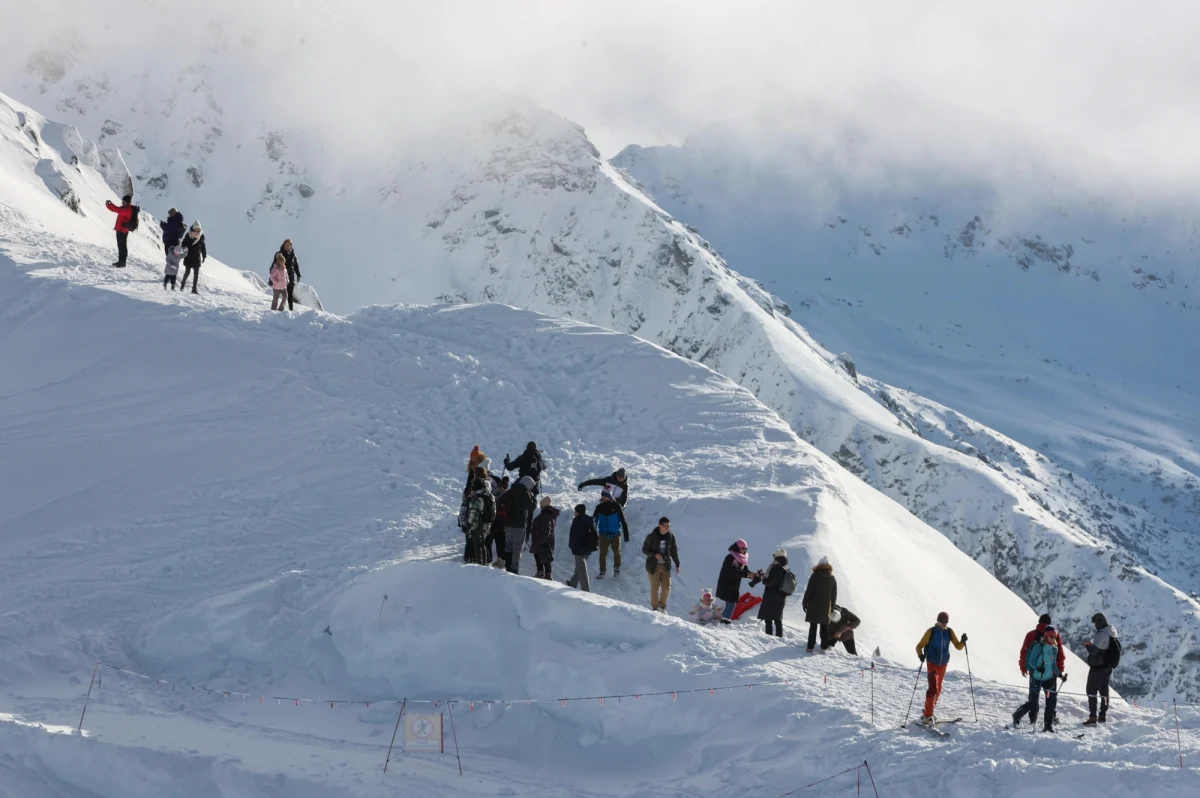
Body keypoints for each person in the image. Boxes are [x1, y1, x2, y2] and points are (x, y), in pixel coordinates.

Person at [915, 611, 967, 724]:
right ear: (937, 621)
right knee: (933, 689)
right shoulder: (931, 632)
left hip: (943, 664)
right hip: (932, 663)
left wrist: (963, 642)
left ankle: (929, 711)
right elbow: (919, 646)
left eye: (946, 621)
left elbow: (958, 646)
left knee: (938, 689)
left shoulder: (949, 632)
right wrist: (921, 655)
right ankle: (928, 715)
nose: (944, 623)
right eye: (942, 621)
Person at [1013, 626, 1063, 732]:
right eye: (1051, 636)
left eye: (1055, 636)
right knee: (1033, 703)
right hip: (1037, 677)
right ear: (1046, 636)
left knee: (1051, 702)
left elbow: (1053, 664)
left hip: (1049, 678)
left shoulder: (1055, 648)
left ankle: (1048, 726)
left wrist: (1059, 675)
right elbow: (1031, 661)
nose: (1053, 638)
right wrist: (1037, 668)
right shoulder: (1038, 647)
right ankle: (1017, 715)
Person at [1083, 612, 1120, 725]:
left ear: (1099, 622)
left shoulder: (1102, 634)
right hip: (1107, 667)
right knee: (1104, 691)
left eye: (1095, 623)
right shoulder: (1112, 633)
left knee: (1091, 690)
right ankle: (1102, 715)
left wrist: (1088, 646)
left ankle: (1093, 717)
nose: (1095, 625)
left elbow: (1094, 651)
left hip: (1097, 667)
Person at [497, 476, 537, 574]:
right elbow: (531, 507)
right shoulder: (524, 493)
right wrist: (533, 497)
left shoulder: (511, 490)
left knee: (509, 547)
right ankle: (514, 570)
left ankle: (508, 568)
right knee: (517, 549)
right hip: (519, 526)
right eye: (530, 487)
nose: (530, 489)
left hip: (508, 524)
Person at [642, 517, 680, 612]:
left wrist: (677, 564)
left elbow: (674, 551)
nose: (667, 528)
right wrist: (654, 555)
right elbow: (645, 549)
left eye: (669, 526)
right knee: (655, 588)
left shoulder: (671, 537)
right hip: (653, 566)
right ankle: (655, 608)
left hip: (665, 566)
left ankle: (662, 606)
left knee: (667, 587)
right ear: (660, 525)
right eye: (665, 526)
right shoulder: (651, 536)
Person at [715, 540, 758, 624]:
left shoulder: (743, 558)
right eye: (742, 548)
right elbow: (734, 571)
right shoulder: (730, 557)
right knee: (731, 604)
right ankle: (725, 622)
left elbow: (745, 570)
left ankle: (723, 622)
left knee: (730, 604)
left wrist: (753, 574)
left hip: (734, 585)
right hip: (726, 583)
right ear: (737, 547)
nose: (744, 550)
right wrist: (747, 575)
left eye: (745, 548)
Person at [801, 556, 837, 652]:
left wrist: (804, 603)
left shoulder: (814, 576)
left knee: (813, 627)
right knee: (824, 628)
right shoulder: (832, 578)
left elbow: (809, 591)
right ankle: (824, 648)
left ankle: (810, 647)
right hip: (826, 608)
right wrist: (832, 608)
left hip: (813, 605)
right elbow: (834, 596)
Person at [592, 489, 629, 578]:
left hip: (615, 534)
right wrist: (593, 533)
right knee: (602, 554)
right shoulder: (599, 507)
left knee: (617, 552)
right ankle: (602, 571)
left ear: (609, 497)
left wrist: (626, 536)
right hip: (603, 534)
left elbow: (623, 521)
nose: (603, 497)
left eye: (605, 496)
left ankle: (617, 568)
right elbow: (594, 521)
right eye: (602, 495)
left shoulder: (617, 506)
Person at [757, 549, 792, 638]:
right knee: (777, 618)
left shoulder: (776, 568)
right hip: (781, 596)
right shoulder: (785, 567)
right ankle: (779, 637)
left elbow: (770, 582)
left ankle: (769, 638)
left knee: (768, 619)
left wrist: (763, 579)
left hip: (772, 597)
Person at [565, 503, 598, 591]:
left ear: (578, 512)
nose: (574, 513)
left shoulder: (577, 521)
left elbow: (574, 535)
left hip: (579, 548)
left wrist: (572, 545)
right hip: (588, 548)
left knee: (582, 569)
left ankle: (585, 589)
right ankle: (573, 583)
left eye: (575, 511)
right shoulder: (589, 520)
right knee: (579, 567)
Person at [464, 476, 496, 565]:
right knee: (483, 545)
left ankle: (479, 563)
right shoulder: (489, 496)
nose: (472, 491)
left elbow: (473, 513)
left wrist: (468, 523)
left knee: (478, 545)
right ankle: (485, 563)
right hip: (486, 525)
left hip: (477, 525)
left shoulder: (477, 498)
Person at [531, 495, 560, 579]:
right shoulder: (550, 515)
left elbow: (547, 529)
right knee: (546, 556)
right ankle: (547, 573)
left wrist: (542, 540)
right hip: (547, 539)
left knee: (540, 555)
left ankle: (542, 572)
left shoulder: (545, 516)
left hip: (541, 539)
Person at [104, 194, 136, 267]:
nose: (122, 202)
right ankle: (120, 261)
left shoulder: (128, 209)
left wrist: (111, 204)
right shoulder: (124, 208)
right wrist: (108, 205)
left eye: (123, 201)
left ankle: (123, 262)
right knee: (120, 246)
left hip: (123, 230)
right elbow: (115, 209)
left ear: (127, 202)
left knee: (123, 246)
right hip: (119, 229)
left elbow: (118, 210)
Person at [487, 475, 510, 568]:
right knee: (500, 541)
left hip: (496, 520)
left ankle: (489, 560)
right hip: (503, 521)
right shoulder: (507, 495)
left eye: (501, 486)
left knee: (490, 540)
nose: (499, 488)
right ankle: (501, 560)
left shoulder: (499, 495)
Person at [178, 221, 206, 294]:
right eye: (196, 228)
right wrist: (184, 249)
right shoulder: (189, 235)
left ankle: (194, 289)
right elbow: (183, 244)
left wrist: (204, 255)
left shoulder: (201, 236)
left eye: (198, 228)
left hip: (197, 257)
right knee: (187, 272)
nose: (197, 230)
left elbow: (203, 247)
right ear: (193, 228)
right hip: (189, 256)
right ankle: (183, 284)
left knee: (196, 273)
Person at [278, 239, 302, 311]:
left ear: (291, 246)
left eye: (289, 245)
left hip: (291, 276)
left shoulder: (293, 255)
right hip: (282, 275)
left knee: (290, 294)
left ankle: (291, 309)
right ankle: (279, 308)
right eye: (286, 245)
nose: (287, 246)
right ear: (283, 245)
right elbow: (274, 264)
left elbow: (296, 266)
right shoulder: (280, 254)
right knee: (281, 293)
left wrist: (298, 274)